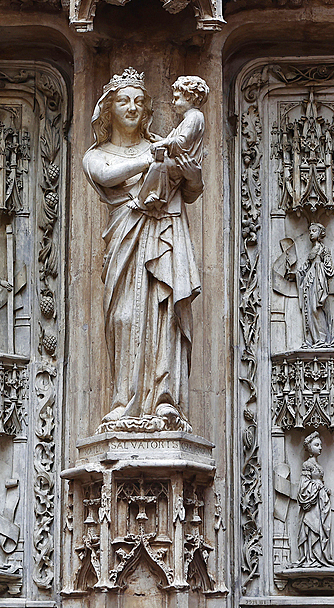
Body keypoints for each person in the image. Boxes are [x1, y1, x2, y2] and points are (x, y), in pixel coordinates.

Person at [82, 68, 202, 429]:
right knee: (124, 318)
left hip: (165, 234)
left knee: (165, 315)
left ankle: (165, 402)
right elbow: (105, 176)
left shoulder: (165, 145)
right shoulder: (98, 154)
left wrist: (191, 173)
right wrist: (152, 158)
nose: (132, 107)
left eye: (138, 101)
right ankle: (125, 402)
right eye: (123, 101)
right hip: (125, 238)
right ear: (109, 110)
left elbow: (192, 190)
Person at [135, 76, 208, 210]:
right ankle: (155, 194)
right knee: (157, 164)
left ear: (189, 98)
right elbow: (173, 140)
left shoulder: (195, 116)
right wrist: (156, 139)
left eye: (176, 98)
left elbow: (182, 142)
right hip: (179, 162)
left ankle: (148, 198)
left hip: (182, 163)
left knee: (158, 165)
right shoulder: (187, 120)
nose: (173, 102)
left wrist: (163, 143)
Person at [295, 431, 334, 567]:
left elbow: (318, 482)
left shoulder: (319, 466)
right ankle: (310, 558)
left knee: (323, 528)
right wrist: (317, 487)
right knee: (312, 528)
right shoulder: (307, 465)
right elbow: (303, 485)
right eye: (317, 445)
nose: (320, 447)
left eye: (320, 445)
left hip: (321, 501)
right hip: (312, 502)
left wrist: (324, 489)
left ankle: (320, 558)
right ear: (310, 448)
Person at [295, 223, 334, 347]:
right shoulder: (312, 250)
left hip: (318, 281)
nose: (311, 233)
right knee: (309, 309)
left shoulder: (323, 249)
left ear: (320, 233)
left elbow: (330, 269)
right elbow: (305, 267)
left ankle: (322, 339)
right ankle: (311, 339)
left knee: (316, 308)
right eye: (310, 231)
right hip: (310, 281)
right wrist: (297, 273)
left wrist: (319, 267)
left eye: (314, 230)